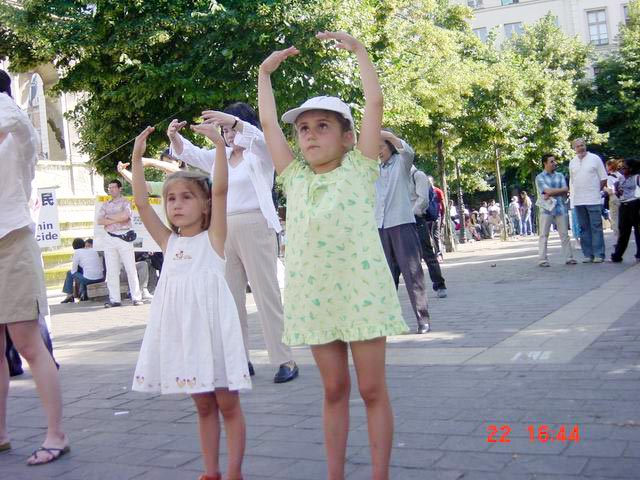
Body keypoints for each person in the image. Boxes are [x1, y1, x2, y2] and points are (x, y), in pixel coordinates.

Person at [258, 31, 408, 480]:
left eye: (322, 126)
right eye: (303, 128)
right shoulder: (294, 178)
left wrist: (361, 52)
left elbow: (375, 104)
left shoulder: (360, 169)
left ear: (348, 138)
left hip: (362, 294)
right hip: (315, 298)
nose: (309, 135)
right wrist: (264, 75)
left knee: (371, 389)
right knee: (334, 389)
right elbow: (268, 126)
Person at [131, 125, 249, 480]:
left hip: (214, 332)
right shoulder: (168, 242)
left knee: (227, 404)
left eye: (187, 197)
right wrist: (137, 158)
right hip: (186, 335)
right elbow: (141, 202)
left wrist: (218, 146)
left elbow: (222, 189)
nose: (177, 204)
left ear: (206, 204)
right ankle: (210, 472)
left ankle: (234, 472)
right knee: (203, 405)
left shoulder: (214, 238)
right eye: (171, 198)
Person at [167, 103, 298, 384]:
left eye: (230, 128)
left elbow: (260, 139)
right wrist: (175, 137)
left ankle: (284, 358)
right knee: (229, 298)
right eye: (224, 131)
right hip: (223, 229)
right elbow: (190, 153)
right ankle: (239, 358)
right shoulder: (220, 157)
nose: (228, 135)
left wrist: (236, 123)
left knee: (266, 294)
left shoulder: (259, 152)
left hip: (255, 225)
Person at [0, 69, 69, 465]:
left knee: (28, 343)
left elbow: (17, 119)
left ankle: (56, 434)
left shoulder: (19, 140)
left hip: (13, 244)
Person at [375, 130, 432, 333]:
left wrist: (381, 132)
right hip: (380, 226)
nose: (378, 151)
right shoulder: (372, 168)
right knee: (384, 277)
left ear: (390, 146)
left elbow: (408, 151)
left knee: (412, 273)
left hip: (402, 223)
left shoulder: (401, 163)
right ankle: (388, 321)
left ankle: (422, 319)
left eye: (381, 146)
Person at [97, 179, 143, 307]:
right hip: (109, 237)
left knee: (130, 268)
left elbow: (125, 216)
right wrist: (117, 218)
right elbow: (100, 220)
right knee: (111, 270)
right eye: (109, 188)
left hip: (124, 236)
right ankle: (114, 299)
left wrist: (109, 217)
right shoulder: (105, 204)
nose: (111, 190)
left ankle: (136, 297)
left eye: (113, 187)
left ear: (119, 188)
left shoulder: (125, 202)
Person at [408, 166, 447, 297]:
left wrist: (412, 213)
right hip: (401, 220)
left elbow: (423, 199)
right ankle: (394, 289)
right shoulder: (396, 175)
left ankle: (439, 284)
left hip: (416, 219)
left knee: (427, 254)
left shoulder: (417, 175)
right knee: (397, 257)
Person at [569, 138, 607, 263]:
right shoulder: (572, 162)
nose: (581, 148)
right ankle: (588, 254)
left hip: (593, 199)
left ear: (585, 145)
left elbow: (603, 178)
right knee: (584, 228)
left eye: (582, 145)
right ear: (574, 149)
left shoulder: (595, 159)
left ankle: (599, 254)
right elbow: (572, 181)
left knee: (596, 227)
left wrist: (596, 191)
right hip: (578, 200)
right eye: (578, 146)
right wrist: (572, 199)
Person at [535, 154, 576, 267]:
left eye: (554, 161)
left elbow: (565, 189)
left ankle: (569, 258)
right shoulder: (539, 177)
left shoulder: (560, 175)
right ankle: (542, 259)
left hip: (560, 208)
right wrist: (559, 191)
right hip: (546, 209)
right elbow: (546, 191)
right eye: (552, 161)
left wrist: (552, 192)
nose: (555, 163)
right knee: (543, 235)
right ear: (545, 163)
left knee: (564, 235)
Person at [610, 158, 640, 263]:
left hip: (635, 204)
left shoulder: (637, 177)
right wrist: (618, 191)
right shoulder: (622, 178)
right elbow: (619, 192)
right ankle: (617, 255)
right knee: (623, 232)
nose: (622, 169)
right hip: (624, 205)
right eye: (621, 168)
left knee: (638, 231)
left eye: (624, 168)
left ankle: (639, 254)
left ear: (631, 168)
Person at [60, 237, 105, 303]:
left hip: (90, 280)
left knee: (69, 273)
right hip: (101, 278)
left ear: (73, 247)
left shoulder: (77, 252)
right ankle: (81, 294)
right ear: (84, 244)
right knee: (84, 273)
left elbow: (73, 270)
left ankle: (69, 296)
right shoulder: (92, 250)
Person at [604, 159, 624, 246]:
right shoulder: (621, 175)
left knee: (614, 219)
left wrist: (604, 188)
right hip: (622, 198)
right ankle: (622, 237)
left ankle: (617, 239)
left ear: (609, 166)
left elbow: (610, 191)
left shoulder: (609, 177)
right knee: (621, 218)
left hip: (614, 199)